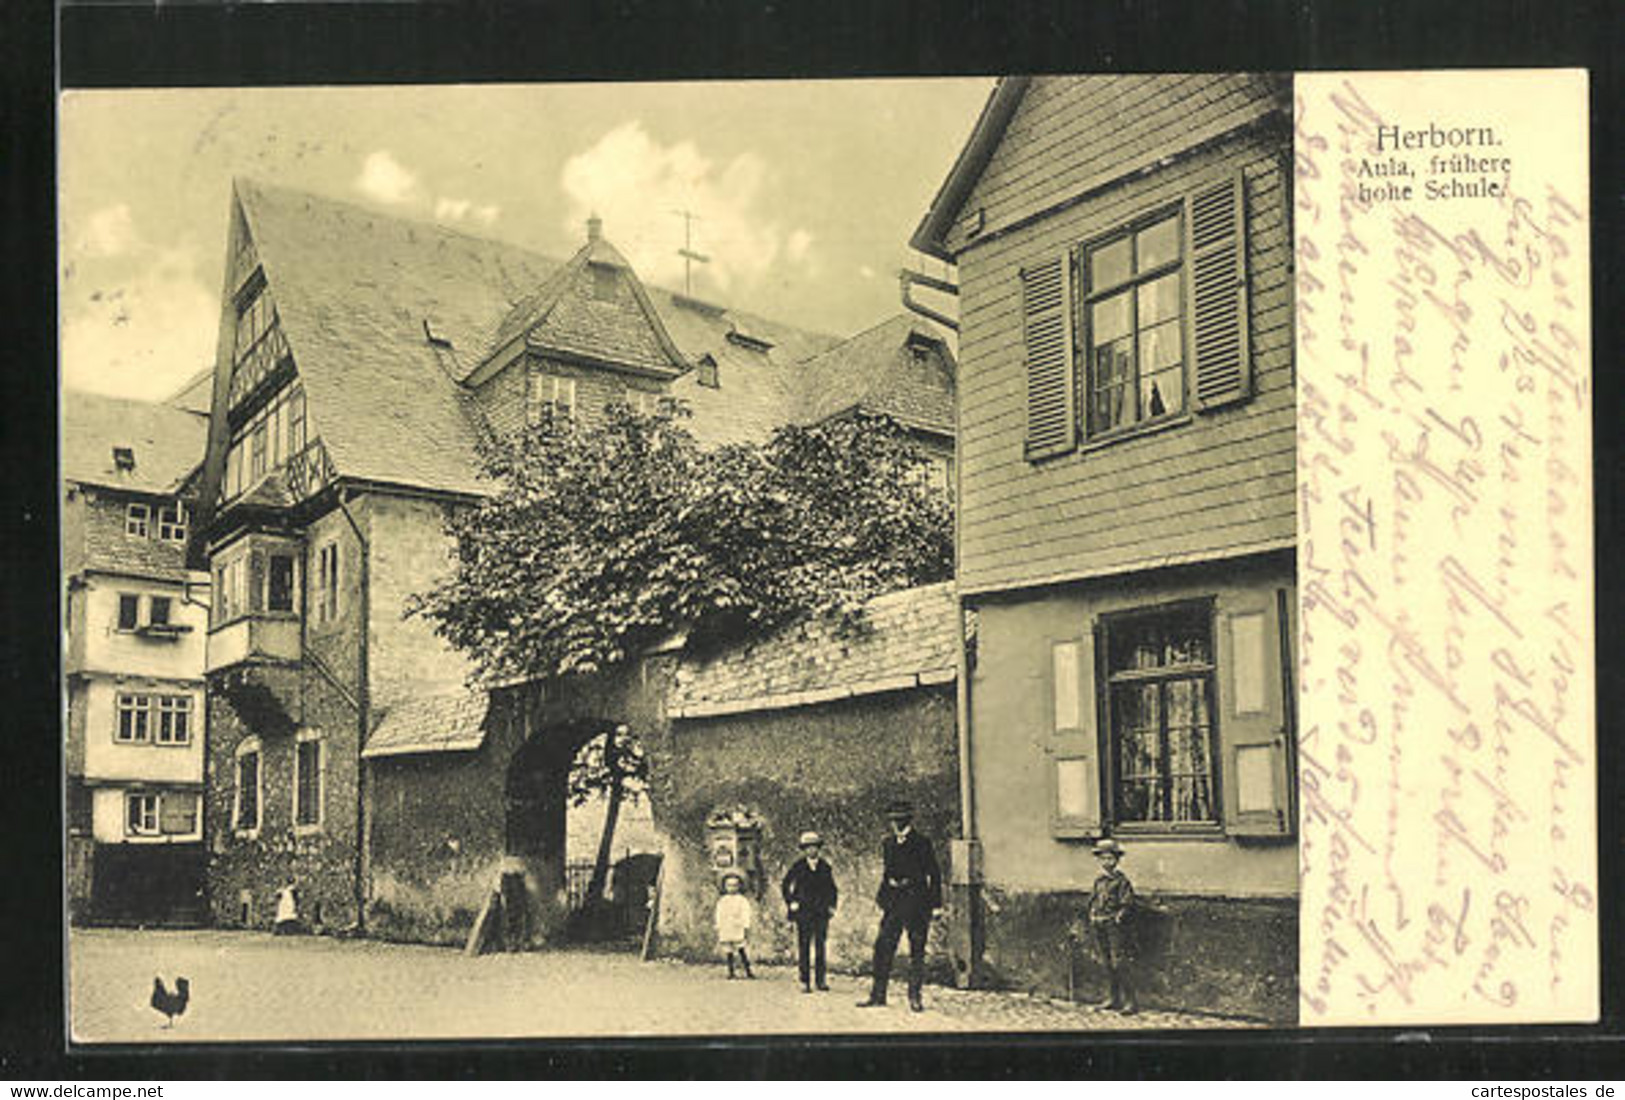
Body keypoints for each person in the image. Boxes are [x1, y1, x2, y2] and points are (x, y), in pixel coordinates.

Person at [857, 799, 941, 1012]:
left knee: (917, 950)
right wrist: (882, 899)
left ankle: (915, 997)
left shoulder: (922, 842)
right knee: (882, 947)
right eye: (893, 820)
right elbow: (887, 873)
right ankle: (878, 995)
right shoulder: (888, 843)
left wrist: (936, 904)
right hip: (894, 903)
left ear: (908, 820)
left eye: (900, 820)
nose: (895, 824)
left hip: (917, 902)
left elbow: (934, 873)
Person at [780, 831, 838, 993]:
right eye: (807, 848)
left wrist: (832, 906)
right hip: (803, 911)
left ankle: (821, 980)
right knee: (804, 945)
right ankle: (804, 980)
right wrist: (791, 901)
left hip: (820, 912)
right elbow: (785, 884)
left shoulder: (825, 867)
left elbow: (832, 889)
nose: (811, 851)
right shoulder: (798, 866)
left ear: (819, 849)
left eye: (814, 847)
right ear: (804, 850)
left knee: (820, 946)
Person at [1086, 839, 1137, 1014]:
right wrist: (1092, 914)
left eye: (1110, 858)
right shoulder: (1099, 881)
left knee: (1119, 962)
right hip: (1099, 923)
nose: (1107, 862)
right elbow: (1092, 900)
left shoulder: (1121, 881)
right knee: (1105, 961)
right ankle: (1113, 998)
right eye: (1103, 859)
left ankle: (1130, 1001)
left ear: (1117, 860)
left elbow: (1127, 903)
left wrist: (1118, 917)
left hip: (1114, 926)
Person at [714, 872, 755, 979]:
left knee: (741, 949)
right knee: (729, 950)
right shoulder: (722, 901)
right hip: (727, 927)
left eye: (735, 885)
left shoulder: (742, 900)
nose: (732, 888)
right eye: (729, 885)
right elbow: (719, 913)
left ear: (739, 886)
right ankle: (731, 971)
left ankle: (748, 970)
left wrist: (746, 925)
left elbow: (746, 913)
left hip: (737, 926)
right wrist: (719, 925)